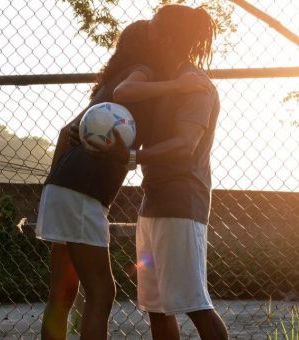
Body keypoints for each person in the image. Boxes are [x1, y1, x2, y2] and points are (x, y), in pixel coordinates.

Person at [37, 20, 212, 340]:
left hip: (61, 186)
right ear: (147, 45)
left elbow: (66, 132)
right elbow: (126, 92)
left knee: (61, 294)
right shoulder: (142, 71)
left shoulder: (108, 83)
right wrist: (176, 87)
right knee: (102, 293)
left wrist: (53, 184)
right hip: (83, 191)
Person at [87, 5, 229, 340]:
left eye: (153, 27)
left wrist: (133, 157)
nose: (146, 31)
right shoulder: (168, 80)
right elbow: (124, 92)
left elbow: (185, 145)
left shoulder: (197, 85)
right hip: (154, 201)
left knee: (195, 303)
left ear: (166, 38)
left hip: (182, 202)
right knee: (157, 306)